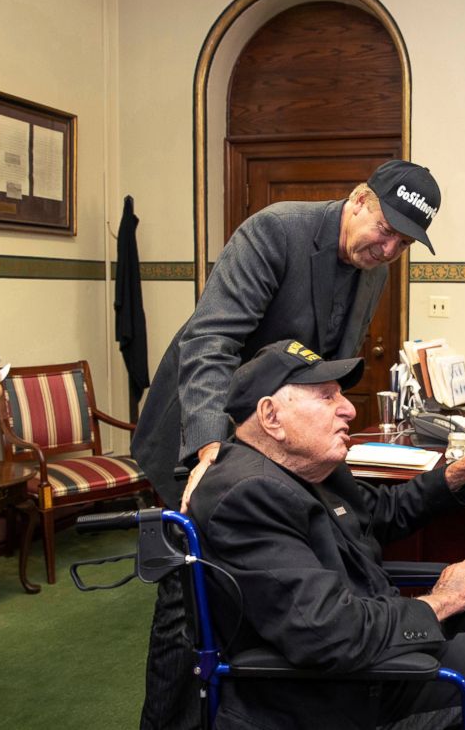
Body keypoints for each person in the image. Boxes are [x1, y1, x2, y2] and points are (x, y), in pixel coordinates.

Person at [132, 159, 443, 730]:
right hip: (199, 429)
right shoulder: (275, 230)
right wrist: (208, 449)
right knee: (189, 603)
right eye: (386, 229)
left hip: (273, 434)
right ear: (357, 200)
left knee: (263, 590)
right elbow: (211, 341)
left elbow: (326, 360)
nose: (390, 247)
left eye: (405, 240)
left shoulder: (372, 262)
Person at [188, 339, 465, 729]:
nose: (349, 409)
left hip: (379, 645)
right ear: (270, 416)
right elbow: (326, 633)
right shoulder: (248, 496)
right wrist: (439, 602)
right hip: (347, 691)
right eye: (327, 398)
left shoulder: (310, 468)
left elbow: (381, 513)